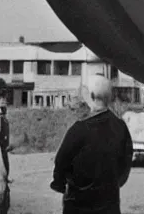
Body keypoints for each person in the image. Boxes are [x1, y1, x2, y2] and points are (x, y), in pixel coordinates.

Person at [50, 75, 133, 214]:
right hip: (110, 205)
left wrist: (59, 185)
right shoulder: (121, 128)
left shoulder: (79, 129)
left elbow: (61, 162)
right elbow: (125, 165)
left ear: (92, 96)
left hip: (79, 206)